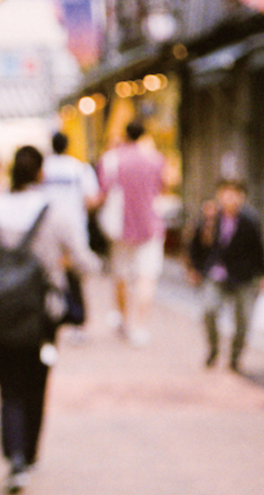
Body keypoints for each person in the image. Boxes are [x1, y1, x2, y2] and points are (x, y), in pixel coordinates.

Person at [0, 146, 100, 494]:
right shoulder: (55, 213)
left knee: (8, 387)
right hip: (41, 317)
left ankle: (15, 456)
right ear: (40, 174)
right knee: (36, 384)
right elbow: (84, 261)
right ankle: (29, 453)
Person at [95, 120, 171, 347]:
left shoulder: (110, 159)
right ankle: (140, 326)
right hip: (150, 225)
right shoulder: (156, 159)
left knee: (121, 274)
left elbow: (103, 191)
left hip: (120, 227)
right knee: (146, 277)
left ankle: (124, 319)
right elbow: (163, 186)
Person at [187, 180, 264, 372]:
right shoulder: (210, 217)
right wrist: (195, 268)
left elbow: (259, 249)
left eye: (234, 194)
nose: (229, 198)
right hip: (215, 273)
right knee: (209, 309)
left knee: (243, 319)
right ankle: (213, 349)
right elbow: (195, 245)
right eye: (225, 193)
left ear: (242, 197)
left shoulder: (250, 220)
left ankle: (235, 357)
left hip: (243, 275)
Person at [42, 132, 101, 338]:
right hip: (74, 228)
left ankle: (53, 319)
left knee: (50, 274)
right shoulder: (79, 168)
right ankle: (77, 321)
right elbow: (91, 200)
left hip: (46, 229)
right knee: (77, 275)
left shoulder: (43, 168)